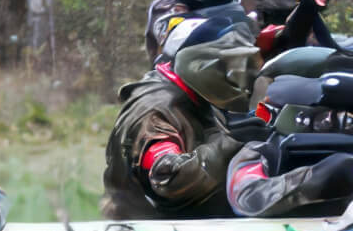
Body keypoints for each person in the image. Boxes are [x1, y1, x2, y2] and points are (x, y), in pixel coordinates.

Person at [103, 17, 260, 219]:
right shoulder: (154, 110)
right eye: (227, 66)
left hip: (188, 227)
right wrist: (230, 143)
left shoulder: (194, 94)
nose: (237, 76)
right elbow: (168, 177)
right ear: (200, 64)